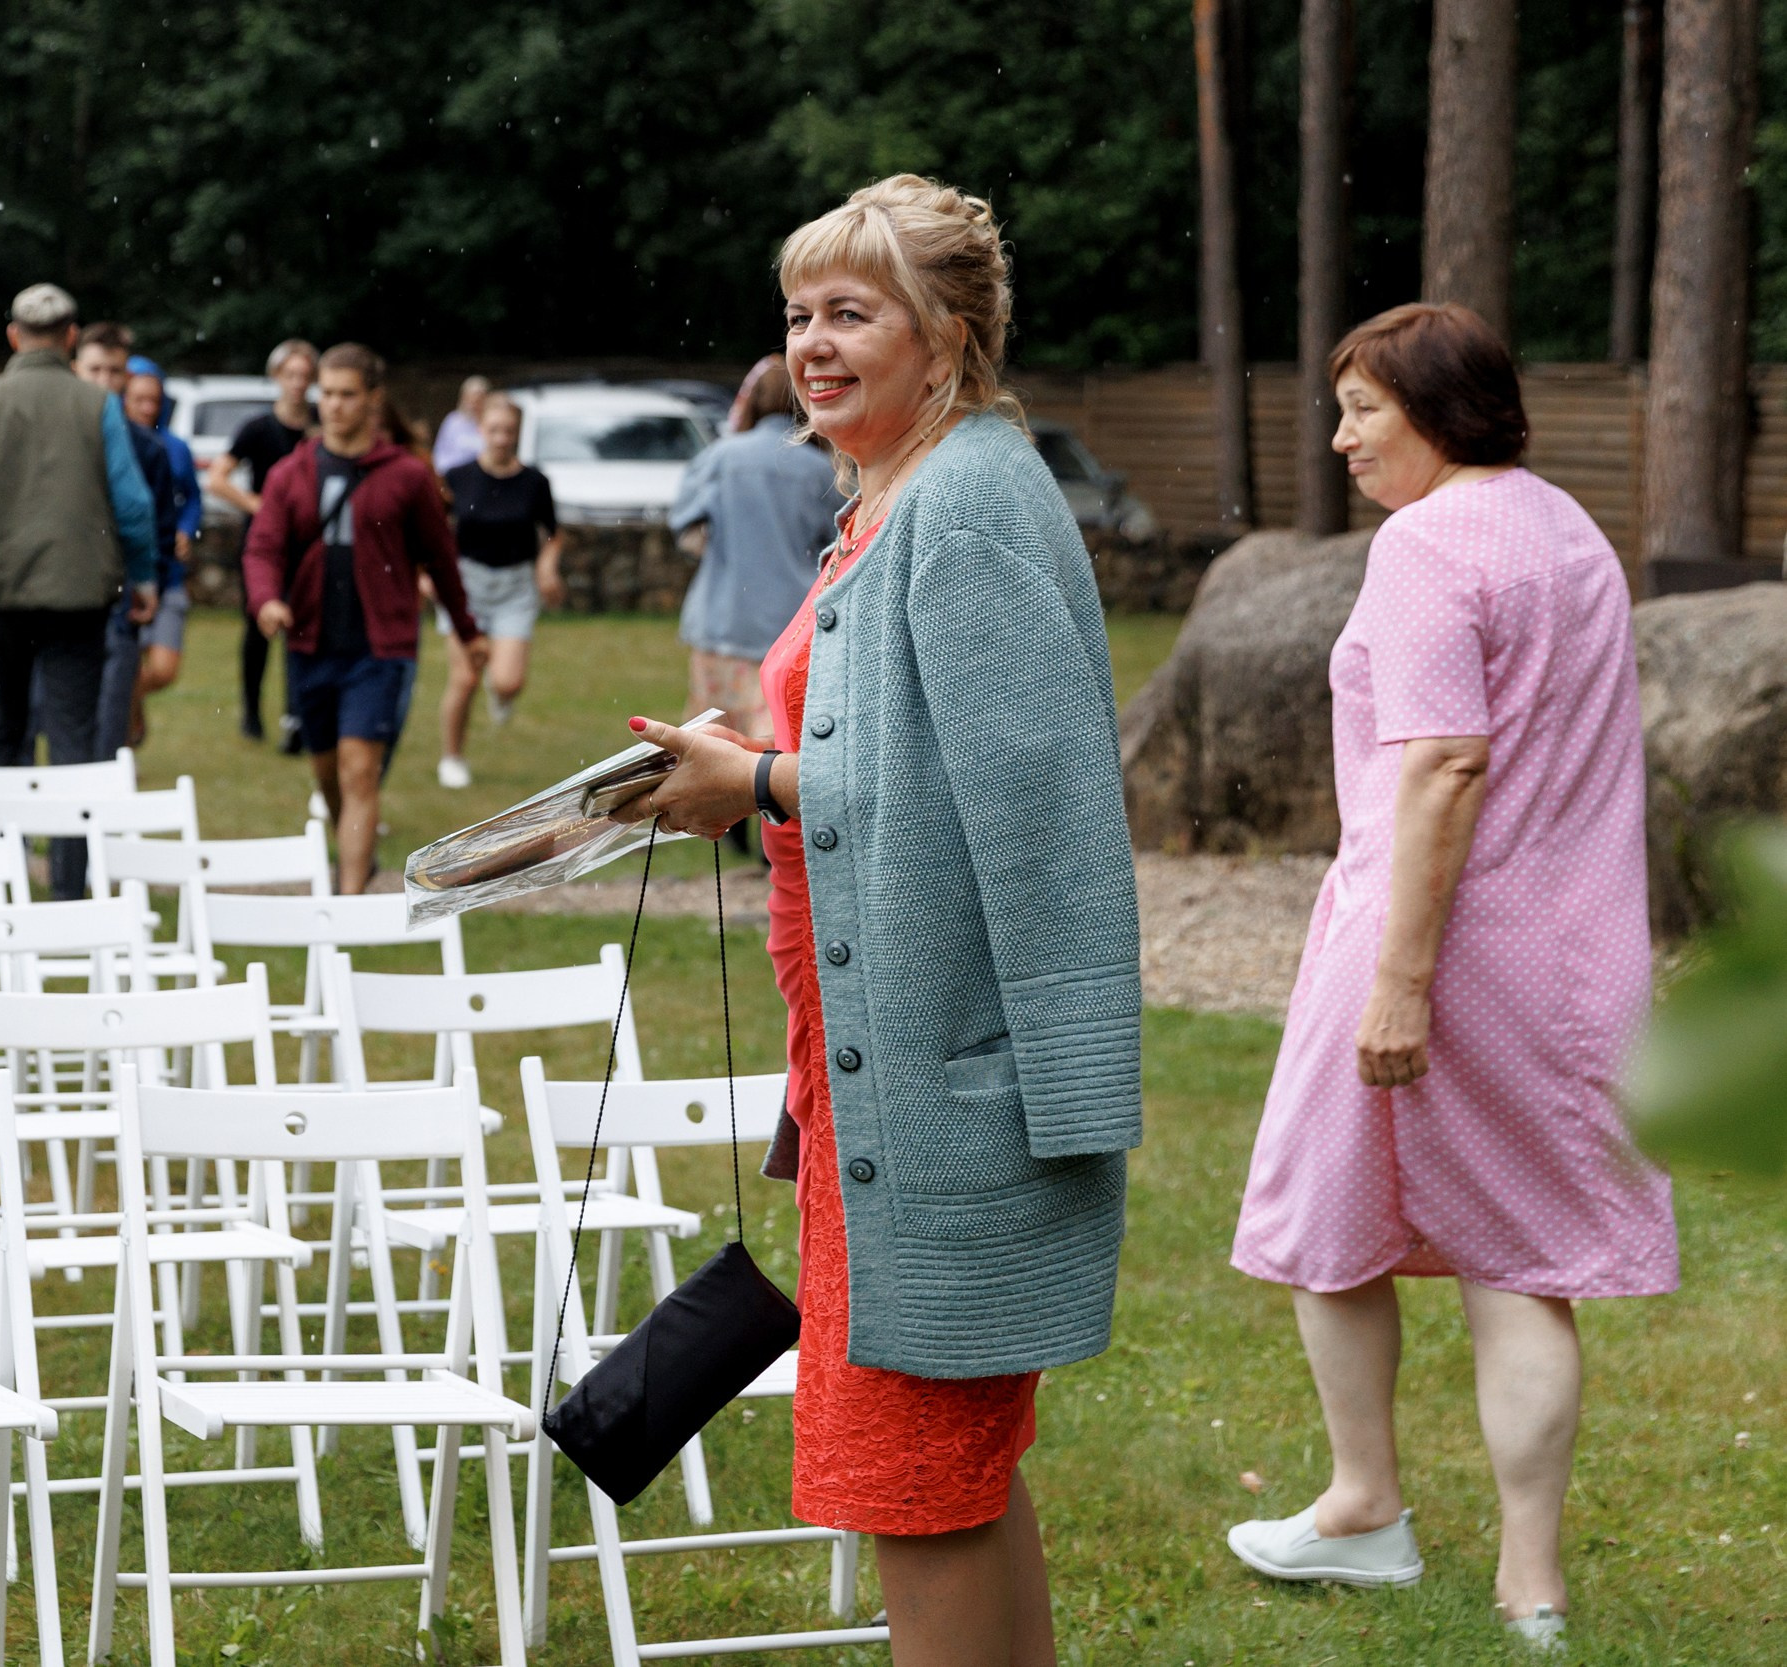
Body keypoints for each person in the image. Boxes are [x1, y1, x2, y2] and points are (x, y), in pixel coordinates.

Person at [614, 176, 1140, 1667]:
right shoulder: (902, 489)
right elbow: (900, 746)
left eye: (854, 313)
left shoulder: (964, 503)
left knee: (918, 1473)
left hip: (942, 1081)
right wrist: (759, 766)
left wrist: (759, 777)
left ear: (949, 332)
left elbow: (1027, 814)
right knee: (946, 1465)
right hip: (867, 1078)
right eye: (801, 316)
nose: (816, 346)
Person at [1224, 303, 1674, 1653]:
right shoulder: (1565, 527)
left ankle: (1366, 1502)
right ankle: (1529, 1587)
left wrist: (1402, 982)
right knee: (1523, 1260)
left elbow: (1443, 762)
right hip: (1572, 956)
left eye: (1365, 407)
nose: (1345, 437)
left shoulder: (1427, 542)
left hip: (1428, 934)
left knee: (1324, 1214)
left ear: (1439, 407)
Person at [0, 284, 157, 898]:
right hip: (79, 594)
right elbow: (132, 504)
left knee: (1, 731)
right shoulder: (96, 405)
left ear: (12, 336)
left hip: (1, 592)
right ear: (70, 338)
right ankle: (67, 886)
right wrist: (142, 575)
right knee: (72, 739)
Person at [243, 342, 484, 894]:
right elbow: (262, 549)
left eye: (346, 394)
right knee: (327, 773)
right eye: (325, 393)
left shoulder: (406, 476)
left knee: (358, 771)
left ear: (373, 400)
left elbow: (441, 560)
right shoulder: (289, 474)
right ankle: (357, 853)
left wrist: (467, 632)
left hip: (380, 648)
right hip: (309, 644)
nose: (332, 405)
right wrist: (266, 601)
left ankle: (348, 900)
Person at [672, 355, 845, 743]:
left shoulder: (720, 457)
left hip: (719, 621)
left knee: (709, 745)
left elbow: (685, 527)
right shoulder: (820, 470)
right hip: (789, 627)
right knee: (772, 748)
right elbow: (839, 545)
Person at [432, 393, 560, 788]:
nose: (502, 438)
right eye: (494, 429)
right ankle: (452, 758)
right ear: (480, 430)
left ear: (518, 433)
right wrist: (426, 574)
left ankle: (500, 692)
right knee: (464, 679)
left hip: (515, 586)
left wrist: (546, 565)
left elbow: (553, 534)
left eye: (509, 430)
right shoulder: (457, 477)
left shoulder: (534, 482)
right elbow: (432, 532)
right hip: (465, 585)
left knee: (507, 682)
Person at [208, 338, 317, 748]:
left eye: (305, 376)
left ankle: (297, 718)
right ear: (277, 378)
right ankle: (251, 712)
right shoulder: (257, 429)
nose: (298, 383)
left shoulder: (320, 425)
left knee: (304, 632)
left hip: (309, 546)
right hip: (266, 547)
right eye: (291, 375)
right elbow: (218, 478)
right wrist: (260, 505)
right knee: (258, 630)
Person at [68, 321, 170, 758]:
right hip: (60, 593)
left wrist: (148, 582)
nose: (104, 382)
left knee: (109, 727)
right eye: (95, 370)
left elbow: (157, 524)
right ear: (76, 370)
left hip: (118, 597)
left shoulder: (148, 449)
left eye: (114, 371)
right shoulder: (60, 438)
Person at [124, 361, 201, 745]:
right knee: (121, 663)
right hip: (126, 572)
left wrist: (185, 529)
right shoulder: (117, 447)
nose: (147, 408)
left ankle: (127, 699)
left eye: (153, 400)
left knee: (163, 668)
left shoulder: (176, 449)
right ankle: (121, 746)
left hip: (166, 572)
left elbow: (192, 498)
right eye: (138, 399)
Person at [429, 374, 491, 474]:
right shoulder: (453, 421)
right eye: (470, 399)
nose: (473, 404)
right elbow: (440, 454)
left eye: (478, 400)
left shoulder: (491, 423)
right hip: (454, 476)